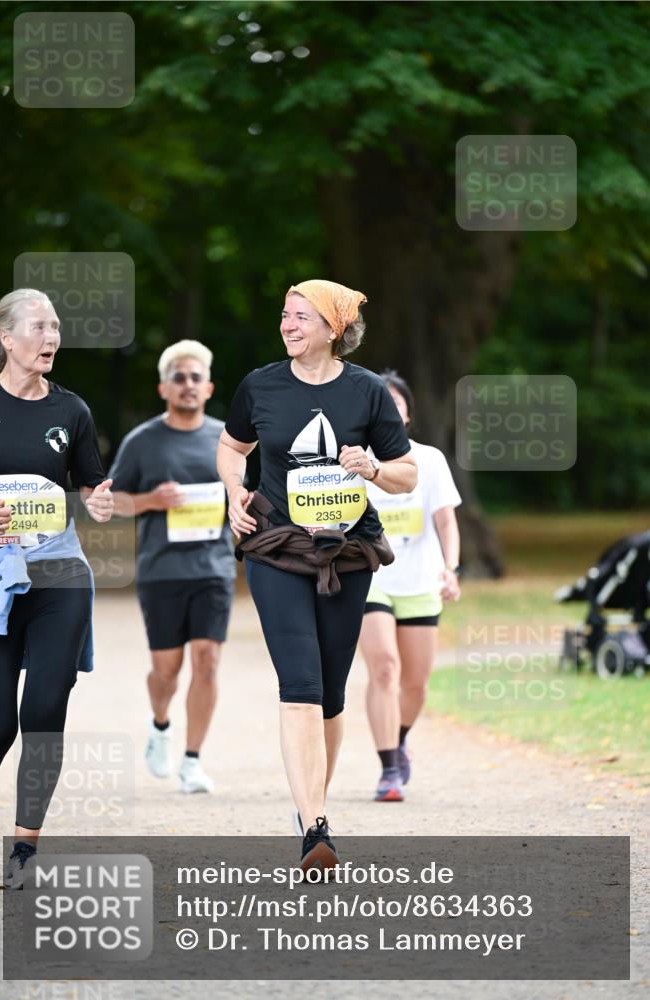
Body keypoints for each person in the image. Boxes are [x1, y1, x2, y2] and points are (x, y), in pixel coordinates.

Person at [217, 279, 417, 874]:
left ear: (335, 329)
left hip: (347, 555)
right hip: (276, 550)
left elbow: (407, 473)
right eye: (285, 315)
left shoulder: (367, 391)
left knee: (330, 694)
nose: (288, 325)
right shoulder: (260, 385)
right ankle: (315, 828)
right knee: (300, 685)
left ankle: (312, 804)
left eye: (302, 317)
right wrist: (234, 490)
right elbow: (231, 446)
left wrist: (372, 468)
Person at [0, 288, 113, 887]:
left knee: (42, 711)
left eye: (56, 326)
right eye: (39, 326)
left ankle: (24, 849)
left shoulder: (72, 410)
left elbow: (90, 485)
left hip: (59, 576)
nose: (52, 336)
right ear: (6, 338)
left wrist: (101, 501)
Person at [109, 341, 235, 794]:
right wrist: (151, 500)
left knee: (208, 660)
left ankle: (193, 761)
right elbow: (109, 502)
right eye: (178, 378)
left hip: (214, 568)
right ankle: (160, 723)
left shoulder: (228, 440)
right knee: (166, 670)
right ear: (163, 388)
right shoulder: (142, 441)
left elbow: (245, 495)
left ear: (209, 388)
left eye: (196, 377)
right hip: (161, 571)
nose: (188, 385)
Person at [359, 370, 462, 802]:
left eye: (394, 403)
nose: (386, 410)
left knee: (416, 684)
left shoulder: (429, 460)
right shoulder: (352, 460)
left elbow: (446, 522)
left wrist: (450, 568)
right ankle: (388, 770)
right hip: (370, 578)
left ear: (406, 414)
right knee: (385, 667)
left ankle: (398, 740)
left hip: (420, 579)